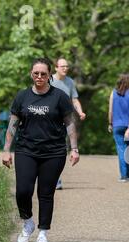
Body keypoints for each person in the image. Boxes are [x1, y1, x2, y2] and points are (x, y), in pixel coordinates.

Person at [2, 57, 80, 242]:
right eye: (36, 73)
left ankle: (43, 233)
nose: (39, 77)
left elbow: (70, 122)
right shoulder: (22, 96)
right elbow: (13, 124)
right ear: (31, 74)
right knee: (23, 191)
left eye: (43, 74)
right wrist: (6, 150)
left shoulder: (59, 96)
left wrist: (74, 148)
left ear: (49, 76)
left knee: (46, 193)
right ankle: (27, 221)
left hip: (53, 152)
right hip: (26, 150)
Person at [51, 57, 86, 190]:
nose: (65, 68)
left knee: (61, 149)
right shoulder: (50, 80)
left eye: (67, 66)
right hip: (51, 120)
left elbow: (75, 100)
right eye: (62, 66)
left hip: (66, 119)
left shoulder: (70, 82)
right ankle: (50, 177)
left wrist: (80, 112)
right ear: (56, 68)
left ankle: (56, 178)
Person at [108, 73, 129, 182]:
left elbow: (110, 110)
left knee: (121, 149)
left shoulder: (113, 93)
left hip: (117, 125)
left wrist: (110, 123)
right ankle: (128, 174)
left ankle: (124, 175)